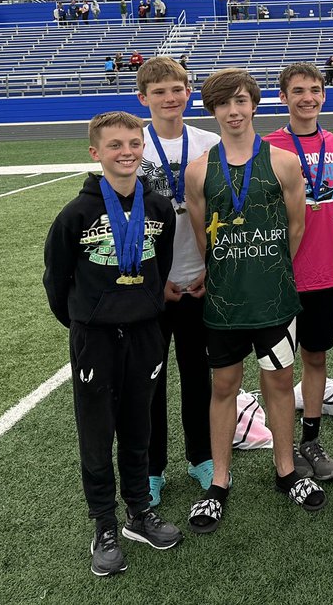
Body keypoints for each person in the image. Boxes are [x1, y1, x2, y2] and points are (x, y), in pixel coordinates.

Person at [43, 111, 183, 577]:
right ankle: (103, 523)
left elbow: (159, 265)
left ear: (143, 148)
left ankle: (139, 513)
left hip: (146, 333)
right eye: (115, 145)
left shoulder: (159, 208)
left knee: (139, 427)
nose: (126, 152)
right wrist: (87, 320)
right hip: (95, 338)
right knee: (98, 432)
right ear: (95, 153)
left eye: (133, 143)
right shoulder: (76, 214)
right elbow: (56, 279)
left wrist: (142, 305)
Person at [183, 69, 323, 534]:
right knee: (222, 387)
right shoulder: (199, 169)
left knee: (280, 385)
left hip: (275, 301)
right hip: (224, 304)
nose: (234, 111)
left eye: (241, 101)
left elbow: (296, 229)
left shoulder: (283, 162)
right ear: (214, 111)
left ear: (254, 104)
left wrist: (264, 270)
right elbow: (204, 236)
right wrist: (233, 271)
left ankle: (286, 472)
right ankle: (219, 483)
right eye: (224, 104)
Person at [135, 57, 221, 507]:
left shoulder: (209, 141)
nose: (170, 98)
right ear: (143, 98)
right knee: (150, 379)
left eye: (177, 89)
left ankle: (201, 455)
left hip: (199, 278)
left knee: (197, 374)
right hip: (153, 285)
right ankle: (152, 468)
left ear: (188, 92)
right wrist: (155, 278)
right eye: (160, 92)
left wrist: (211, 266)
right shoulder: (135, 145)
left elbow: (223, 209)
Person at [265, 63, 333, 481]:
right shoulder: (268, 146)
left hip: (325, 271)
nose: (308, 98)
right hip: (280, 273)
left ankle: (311, 440)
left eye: (315, 90)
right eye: (298, 91)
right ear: (283, 96)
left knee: (316, 357)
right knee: (278, 366)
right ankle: (284, 449)